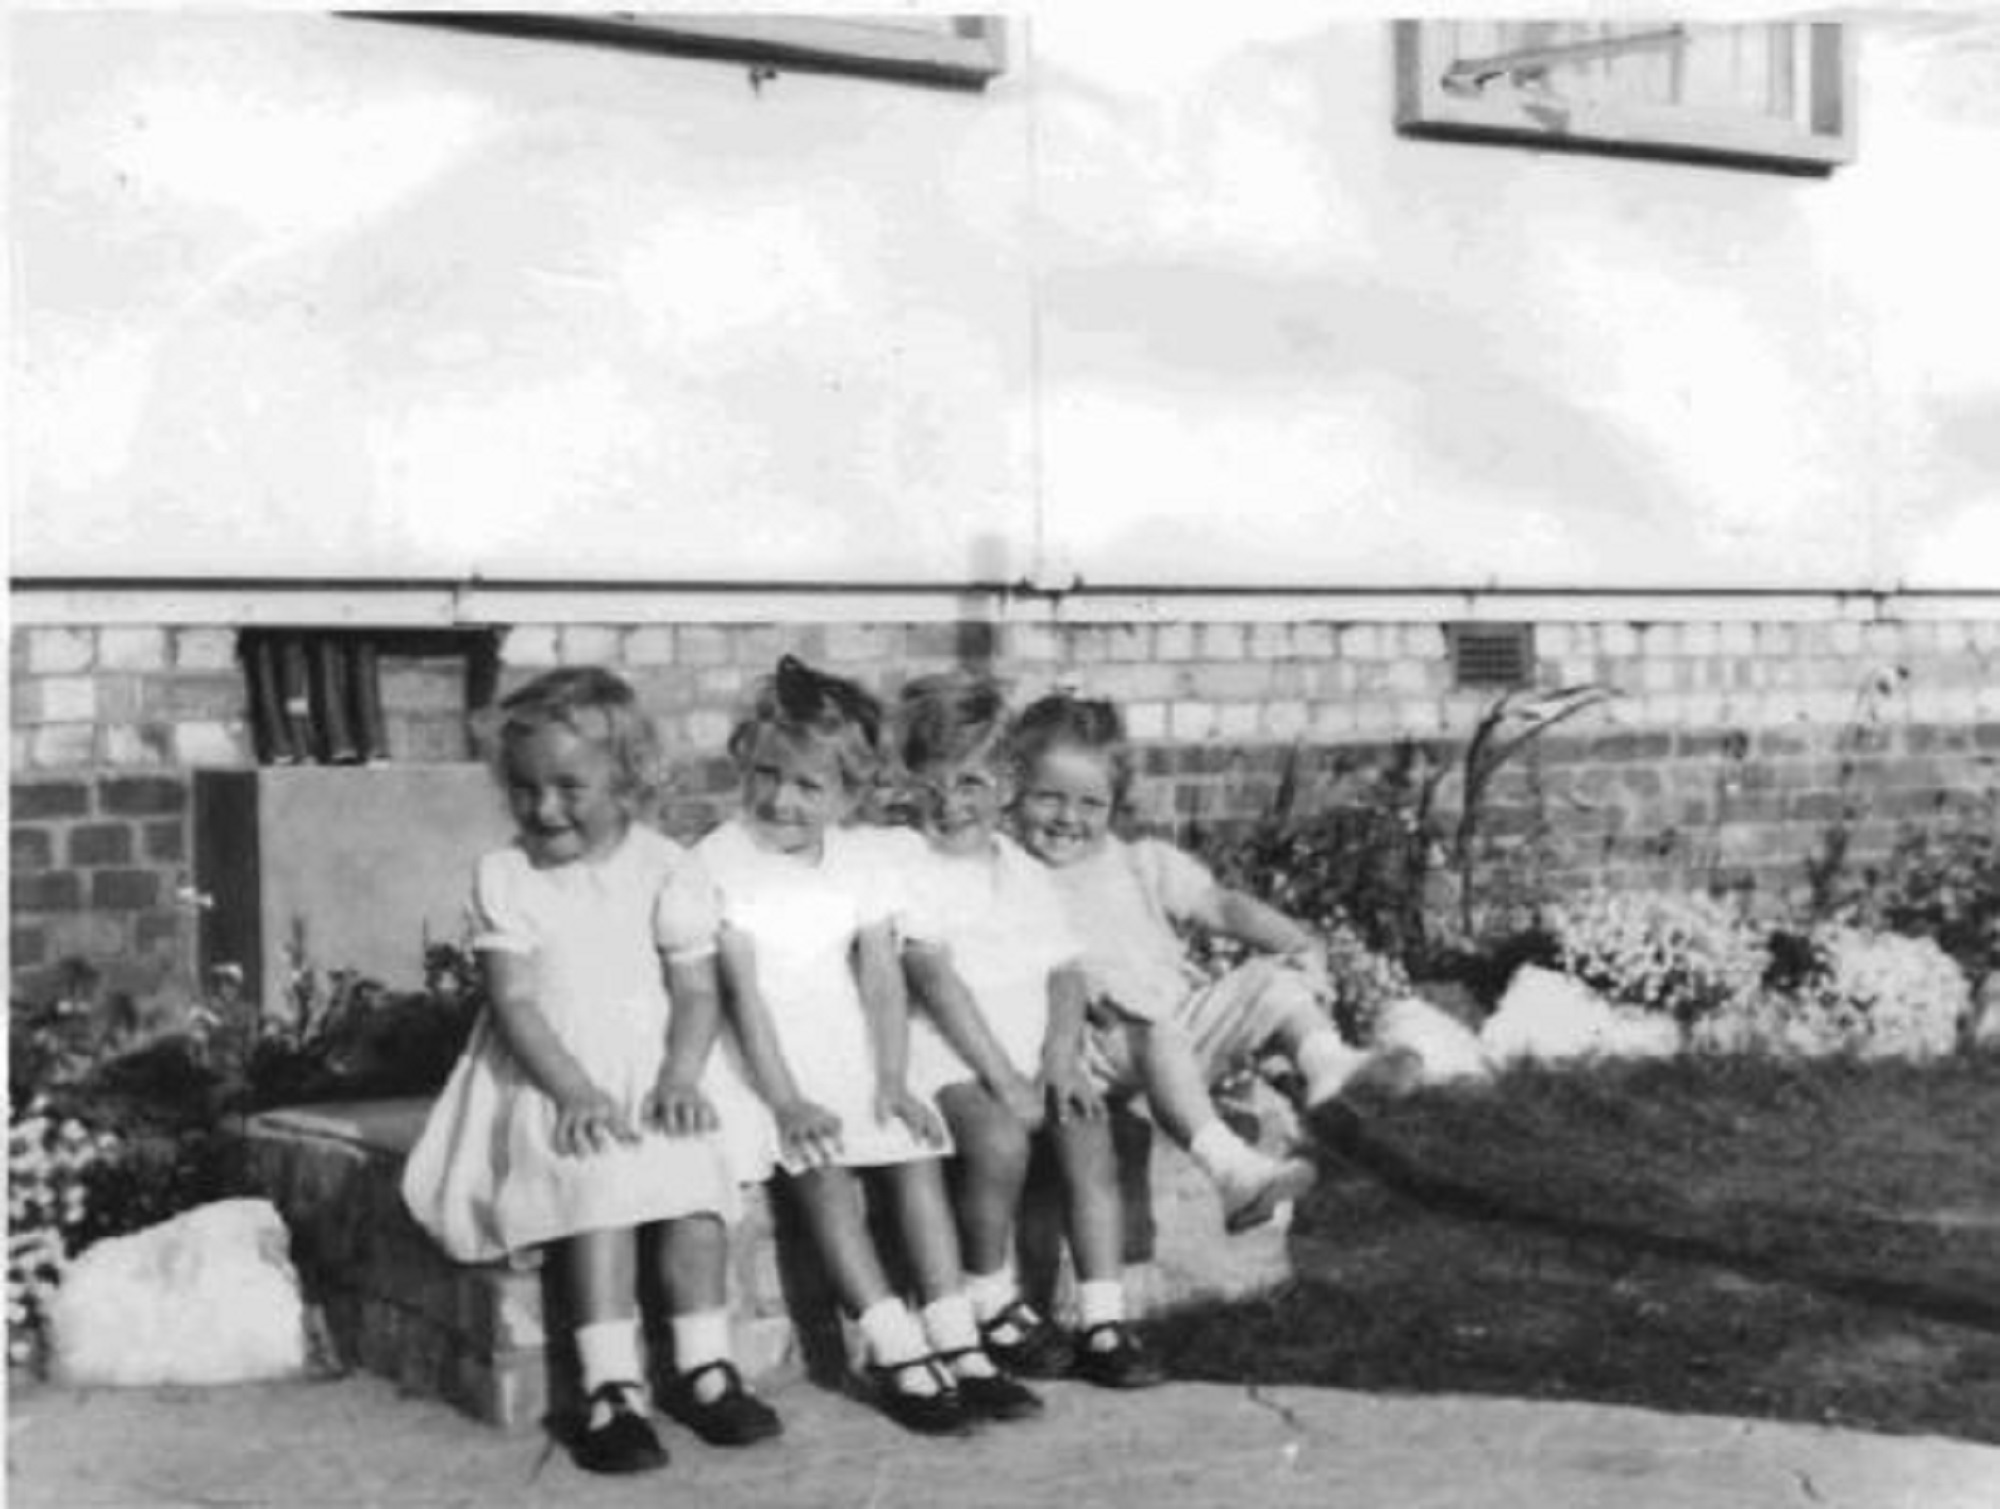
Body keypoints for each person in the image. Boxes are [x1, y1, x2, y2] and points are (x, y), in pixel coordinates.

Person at [400, 667, 778, 1477]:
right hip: (550, 1071)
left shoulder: (665, 867)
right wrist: (571, 1090)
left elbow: (696, 989)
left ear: (627, 778)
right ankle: (612, 1385)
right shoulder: (508, 876)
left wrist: (681, 1076)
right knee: (598, 1179)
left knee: (692, 1180)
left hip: (657, 1066)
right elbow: (516, 1002)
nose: (545, 809)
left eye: (570, 786)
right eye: (526, 789)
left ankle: (705, 1366)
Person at [698, 656, 1039, 1435]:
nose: (781, 798)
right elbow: (742, 992)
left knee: (914, 1150)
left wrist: (892, 1076)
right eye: (767, 774)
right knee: (823, 1168)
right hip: (764, 1057)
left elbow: (883, 976)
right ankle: (891, 1340)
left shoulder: (861, 859)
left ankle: (955, 1330)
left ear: (849, 796)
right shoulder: (725, 858)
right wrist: (785, 1100)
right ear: (744, 761)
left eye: (808, 786)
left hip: (849, 1041)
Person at [1010, 692, 1406, 1233]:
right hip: (1098, 1043)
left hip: (1183, 1023)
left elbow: (1219, 904)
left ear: (1115, 805)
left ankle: (1327, 1066)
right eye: (1048, 798)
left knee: (1272, 980)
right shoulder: (1010, 878)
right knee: (1151, 1029)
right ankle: (1233, 1170)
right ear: (1013, 793)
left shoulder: (1141, 864)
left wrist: (1298, 944)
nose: (1066, 819)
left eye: (1090, 804)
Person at [893, 672, 1166, 1390]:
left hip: (1028, 1053)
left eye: (974, 783)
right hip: (950, 1056)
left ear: (1007, 782)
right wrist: (1004, 1079)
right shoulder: (910, 868)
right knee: (1000, 1140)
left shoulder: (1019, 867)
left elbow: (1063, 972)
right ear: (909, 781)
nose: (952, 804)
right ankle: (990, 1294)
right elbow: (934, 981)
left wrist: (1058, 1058)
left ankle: (1102, 1317)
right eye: (934, 784)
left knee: (1087, 1130)